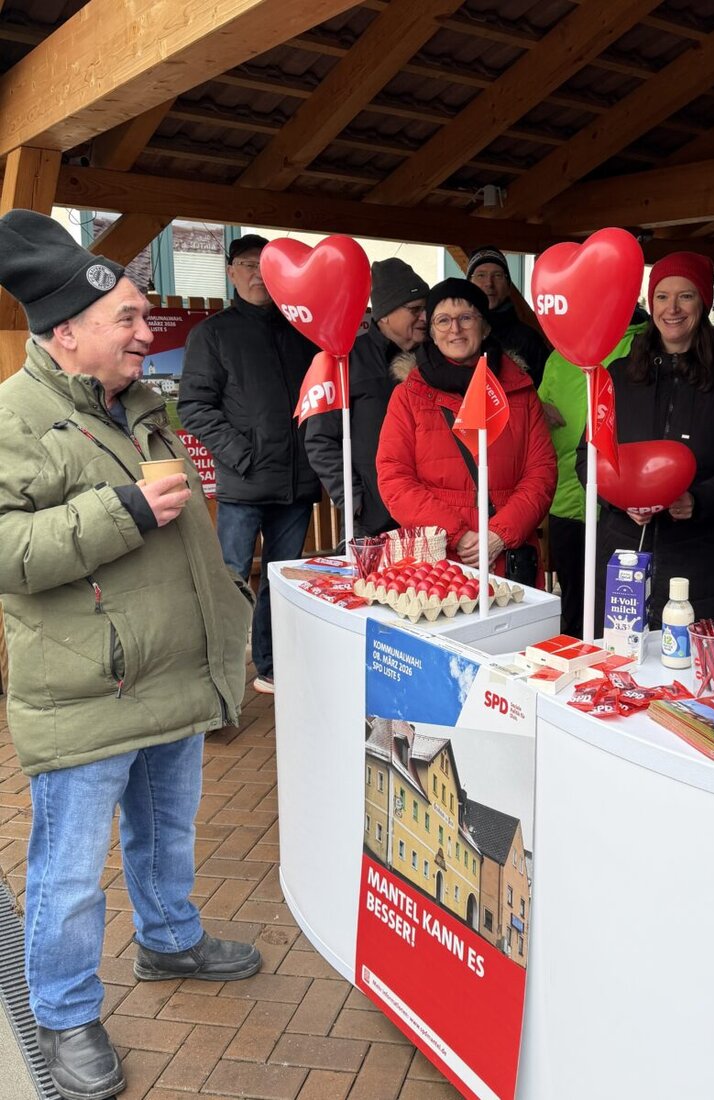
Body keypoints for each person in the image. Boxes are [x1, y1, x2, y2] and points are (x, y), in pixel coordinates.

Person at [0, 210, 260, 1100]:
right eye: (131, 322)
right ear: (67, 332)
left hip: (170, 671)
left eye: (147, 318)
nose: (150, 334)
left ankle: (170, 937)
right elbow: (5, 550)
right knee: (69, 873)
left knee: (167, 831)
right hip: (87, 688)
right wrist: (123, 511)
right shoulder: (15, 416)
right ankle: (65, 1015)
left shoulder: (143, 403)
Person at [178, 234, 321, 695]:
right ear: (230, 272)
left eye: (266, 264)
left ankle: (272, 667)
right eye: (247, 264)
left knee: (281, 582)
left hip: (296, 487)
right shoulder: (213, 334)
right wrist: (242, 454)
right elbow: (195, 407)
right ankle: (215, 682)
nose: (258, 272)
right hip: (243, 486)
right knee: (231, 582)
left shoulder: (302, 332)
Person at [590, 251, 714, 626]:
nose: (672, 308)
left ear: (704, 302)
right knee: (620, 673)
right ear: (649, 303)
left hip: (699, 563)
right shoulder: (618, 377)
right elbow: (585, 459)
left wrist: (697, 501)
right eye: (662, 296)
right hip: (624, 555)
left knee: (689, 673)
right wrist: (623, 501)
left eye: (685, 295)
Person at [376, 278, 556, 576]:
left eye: (465, 318)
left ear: (484, 326)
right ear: (432, 332)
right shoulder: (409, 395)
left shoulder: (520, 392)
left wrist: (500, 534)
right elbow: (394, 478)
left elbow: (542, 473)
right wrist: (457, 535)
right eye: (443, 320)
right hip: (437, 562)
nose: (455, 329)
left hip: (507, 557)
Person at [538, 307, 648, 636]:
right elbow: (541, 408)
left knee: (619, 609)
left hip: (617, 509)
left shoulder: (639, 347)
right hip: (567, 501)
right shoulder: (560, 356)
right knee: (573, 602)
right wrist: (536, 406)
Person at [305, 257, 429, 538]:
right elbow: (320, 439)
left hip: (429, 517)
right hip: (373, 521)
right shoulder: (343, 362)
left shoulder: (436, 361)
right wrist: (355, 501)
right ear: (384, 314)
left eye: (427, 308)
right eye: (415, 309)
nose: (425, 317)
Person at [466, 246, 549, 388]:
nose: (489, 283)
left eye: (497, 275)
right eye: (481, 275)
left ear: (508, 285)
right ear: (469, 282)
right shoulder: (454, 332)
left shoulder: (528, 339)